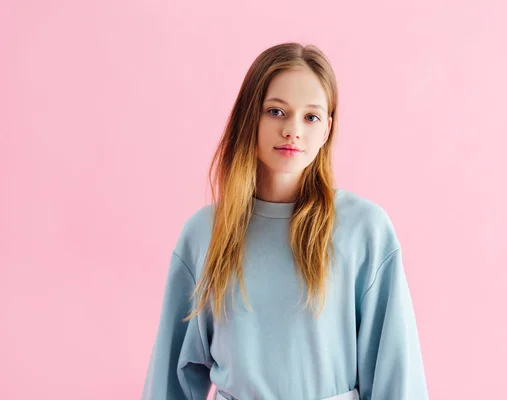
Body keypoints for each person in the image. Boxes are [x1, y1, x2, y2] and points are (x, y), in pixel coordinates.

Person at [141, 42, 429, 400]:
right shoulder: (204, 234)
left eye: (311, 117)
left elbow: (396, 374)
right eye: (276, 111)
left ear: (326, 130)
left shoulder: (364, 231)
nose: (293, 130)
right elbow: (169, 383)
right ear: (250, 116)